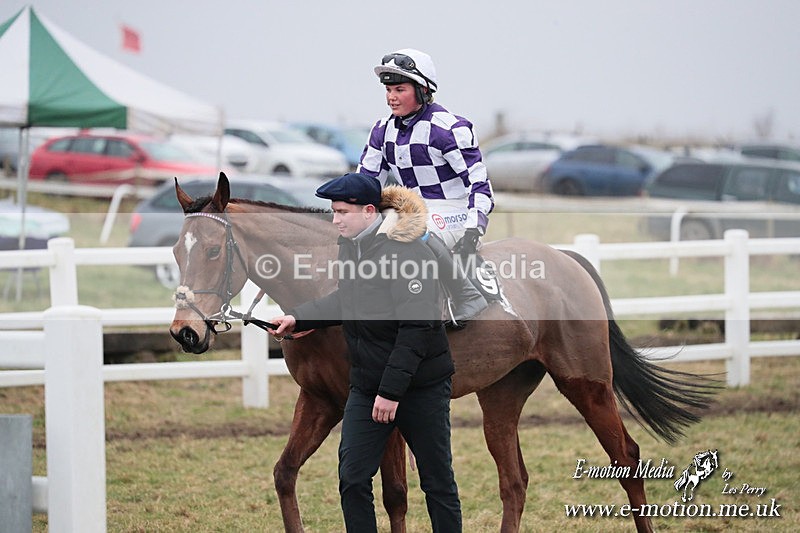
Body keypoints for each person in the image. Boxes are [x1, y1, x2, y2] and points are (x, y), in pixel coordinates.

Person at [268, 172, 462, 533]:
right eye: (333, 211)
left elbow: (416, 329)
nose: (335, 219)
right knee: (353, 478)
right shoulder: (352, 246)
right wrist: (300, 317)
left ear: (369, 211)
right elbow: (348, 299)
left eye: (342, 211)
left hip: (421, 388)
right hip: (367, 384)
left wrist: (390, 393)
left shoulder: (409, 251)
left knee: (437, 483)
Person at [358, 48, 494, 326]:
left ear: (422, 90)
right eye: (388, 89)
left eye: (399, 89)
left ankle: (467, 294)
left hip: (454, 210)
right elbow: (366, 182)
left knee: (412, 230)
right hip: (411, 210)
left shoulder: (450, 128)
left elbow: (480, 185)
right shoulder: (382, 129)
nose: (391, 97)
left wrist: (474, 226)